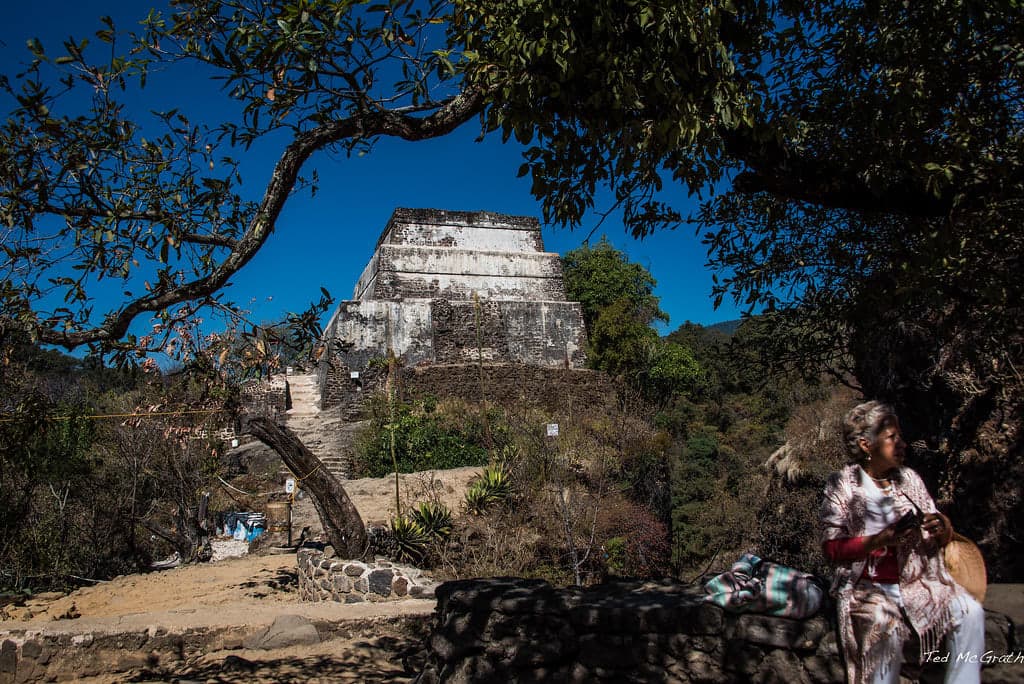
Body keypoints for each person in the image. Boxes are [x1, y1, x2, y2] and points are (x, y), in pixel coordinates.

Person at [820, 400, 985, 684]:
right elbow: (831, 548)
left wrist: (940, 525)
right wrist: (880, 540)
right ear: (866, 445)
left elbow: (939, 529)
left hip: (919, 584)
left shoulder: (908, 479)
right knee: (885, 627)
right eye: (892, 437)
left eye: (900, 437)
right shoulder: (842, 485)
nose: (902, 444)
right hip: (868, 589)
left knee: (970, 612)